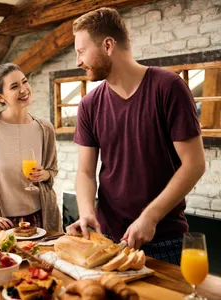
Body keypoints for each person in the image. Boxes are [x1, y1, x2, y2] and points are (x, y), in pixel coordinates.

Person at [66, 8, 205, 264]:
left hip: (163, 239)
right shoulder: (89, 104)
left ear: (108, 45)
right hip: (107, 238)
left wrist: (149, 217)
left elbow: (194, 164)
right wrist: (86, 212)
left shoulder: (168, 87)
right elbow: (85, 172)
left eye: (81, 51)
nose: (78, 62)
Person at [0, 63, 62, 232]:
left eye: (25, 82)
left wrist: (44, 174)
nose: (24, 89)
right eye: (14, 86)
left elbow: (52, 170)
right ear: (1, 97)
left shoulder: (45, 128)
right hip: (4, 222)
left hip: (42, 218)